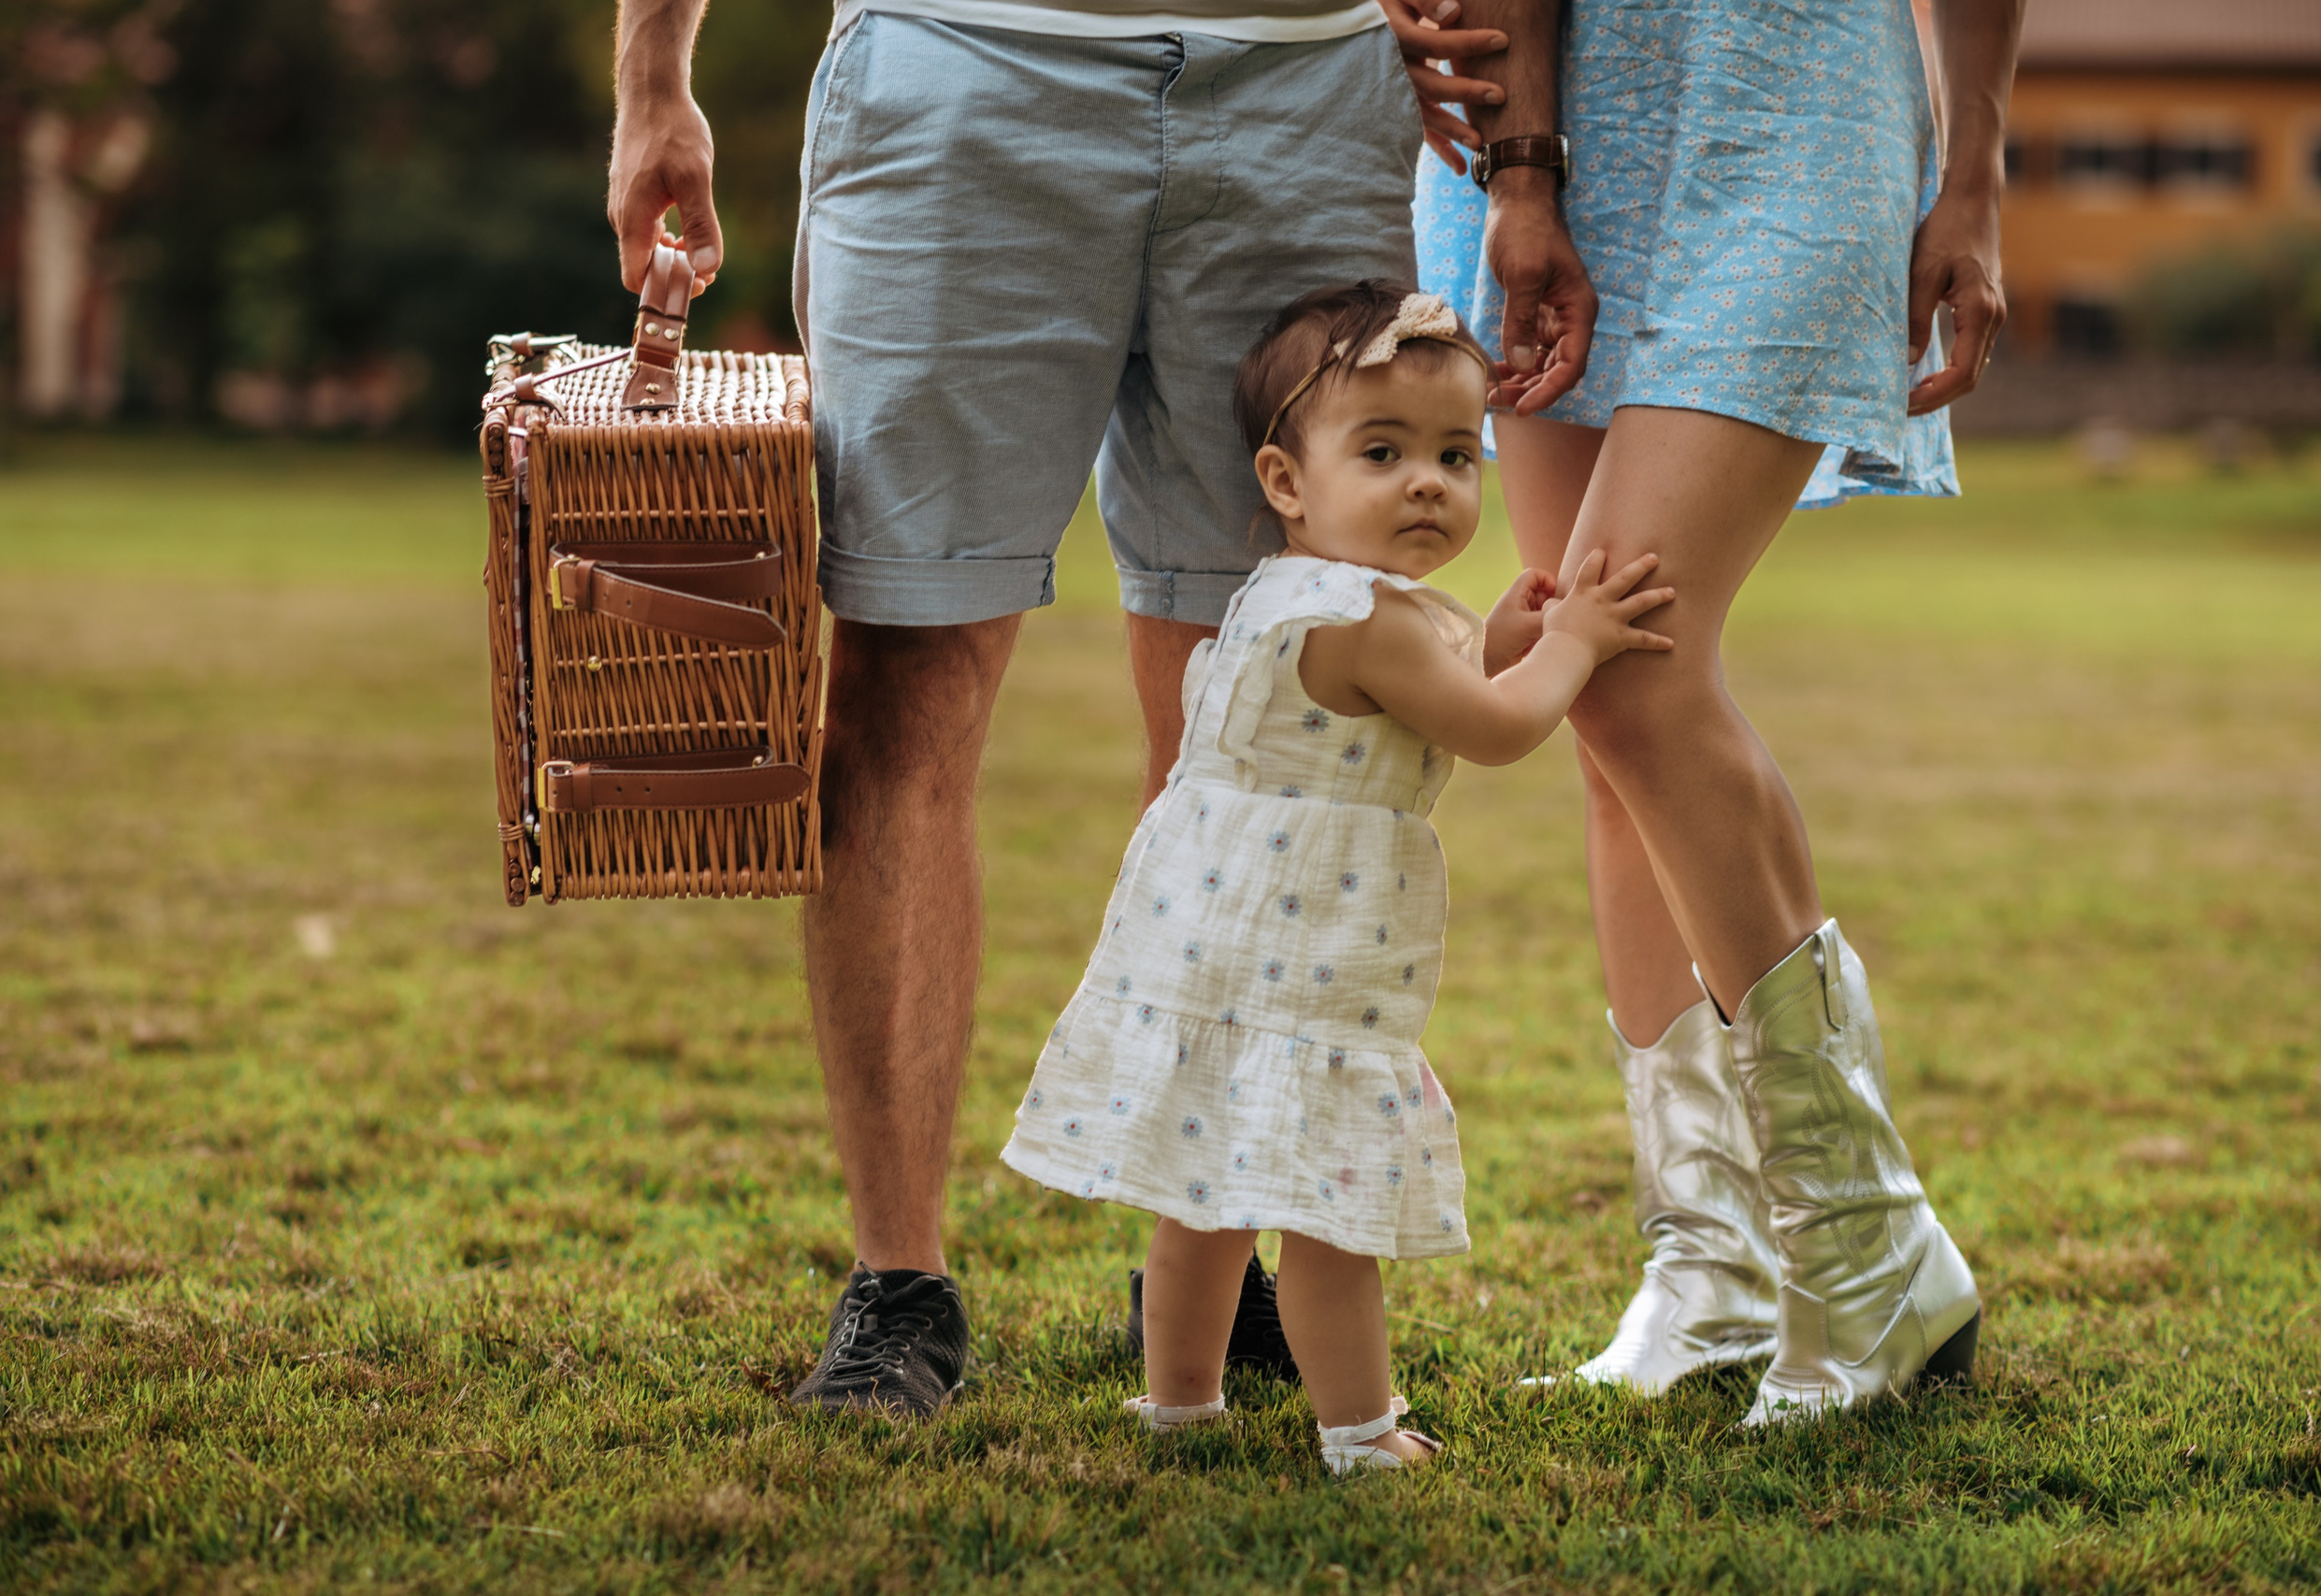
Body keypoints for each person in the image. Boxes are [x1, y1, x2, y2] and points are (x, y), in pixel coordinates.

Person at [603, 0, 1590, 1415]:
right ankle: (898, 1285)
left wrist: (1524, 160)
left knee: (1265, 705)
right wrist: (653, 79)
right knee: (904, 686)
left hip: (1307, 86)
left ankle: (1211, 1242)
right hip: (962, 65)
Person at [1408, 0, 2024, 1420]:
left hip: (1790, 102)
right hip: (1542, 121)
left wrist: (1974, 173)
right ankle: (1716, 1261)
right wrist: (1523, 170)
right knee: (1602, 704)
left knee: (1627, 661)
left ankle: (1869, 1248)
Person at [1001, 281, 1676, 1471]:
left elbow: (1439, 685)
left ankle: (1180, 1405)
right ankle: (1359, 1435)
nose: (1428, 481)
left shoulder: (1289, 591)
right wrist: (1569, 646)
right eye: (1383, 450)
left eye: (1457, 455)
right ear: (1286, 481)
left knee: (1204, 1196)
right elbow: (1496, 727)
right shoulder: (1367, 619)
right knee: (1330, 1205)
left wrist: (1508, 638)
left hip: (1213, 935)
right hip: (1306, 958)